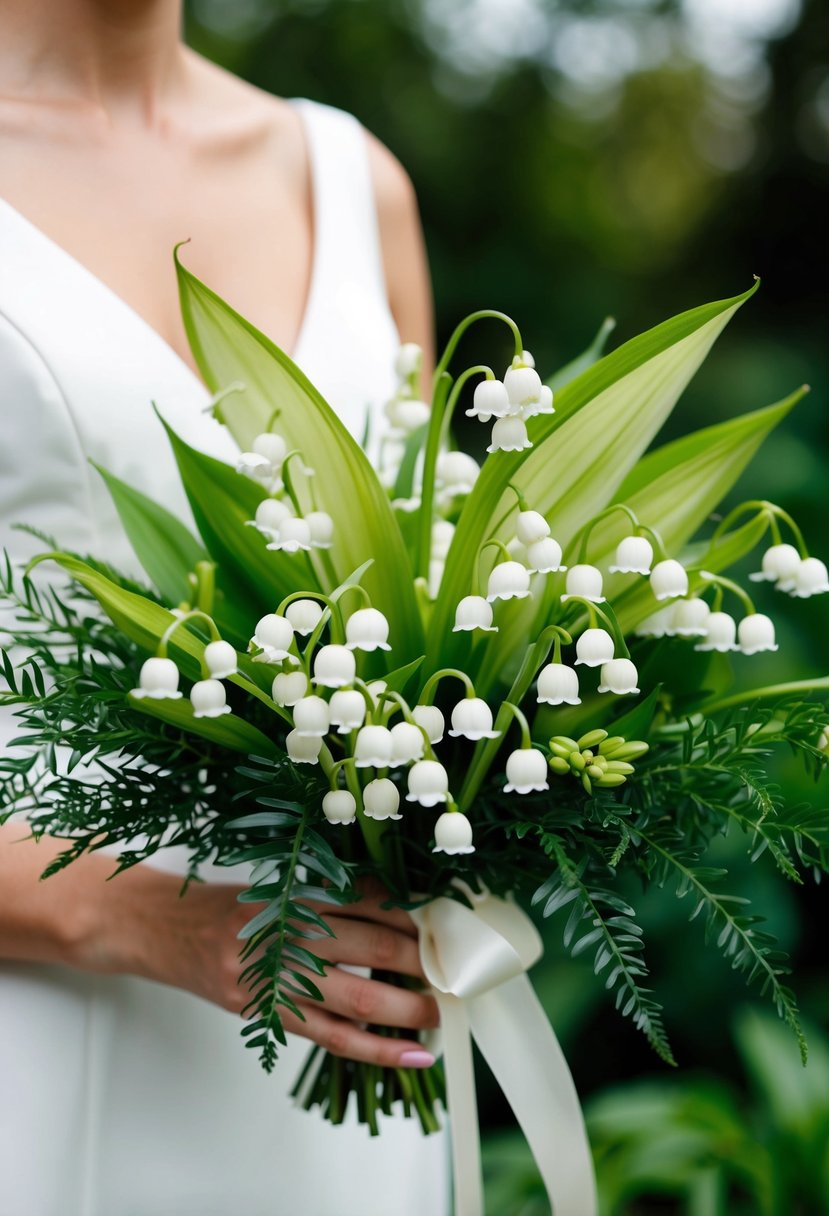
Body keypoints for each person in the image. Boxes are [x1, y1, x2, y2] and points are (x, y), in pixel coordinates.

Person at [0, 1, 449, 1212]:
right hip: (36, 1037)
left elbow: (429, 605)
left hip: (339, 1050)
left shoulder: (353, 182)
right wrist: (143, 918)